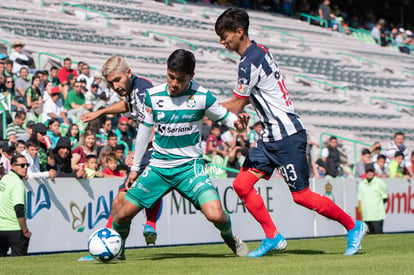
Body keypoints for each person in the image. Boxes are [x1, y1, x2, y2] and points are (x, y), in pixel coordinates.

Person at [215, 8, 367, 257]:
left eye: (224, 35)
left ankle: (353, 226)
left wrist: (200, 107)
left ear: (239, 32)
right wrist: (246, 112)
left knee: (302, 196)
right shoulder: (259, 50)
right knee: (242, 185)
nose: (222, 41)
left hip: (287, 136)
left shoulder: (248, 62)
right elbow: (258, 95)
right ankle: (273, 236)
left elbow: (236, 102)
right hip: (270, 137)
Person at [112, 49, 250, 259]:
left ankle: (230, 238)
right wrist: (135, 168)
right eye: (171, 76)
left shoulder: (202, 96)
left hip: (190, 169)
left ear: (191, 77)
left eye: (180, 79)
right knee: (121, 216)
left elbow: (228, 119)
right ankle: (117, 250)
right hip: (159, 167)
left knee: (216, 215)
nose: (174, 83)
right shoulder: (153, 96)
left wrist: (239, 125)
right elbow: (143, 133)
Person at [79, 56, 161, 256]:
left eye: (117, 80)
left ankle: (138, 231)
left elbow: (154, 124)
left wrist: (139, 149)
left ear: (128, 73)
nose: (115, 86)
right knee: (123, 201)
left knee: (126, 199)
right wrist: (101, 112)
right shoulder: (134, 90)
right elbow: (127, 106)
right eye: (111, 83)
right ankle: (125, 241)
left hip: (158, 150)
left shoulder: (142, 91)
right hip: (153, 151)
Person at [0, 154, 31, 256]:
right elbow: (19, 209)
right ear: (13, 166)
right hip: (14, 229)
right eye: (22, 165)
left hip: (1, 228)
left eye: (27, 165)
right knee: (19, 264)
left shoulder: (4, 179)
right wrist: (25, 230)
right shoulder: (17, 183)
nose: (25, 168)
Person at [357, 163, 388, 234]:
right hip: (366, 216)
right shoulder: (362, 184)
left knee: (378, 236)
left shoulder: (380, 183)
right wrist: (361, 216)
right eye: (368, 171)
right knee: (369, 239)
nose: (370, 173)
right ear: (365, 172)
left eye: (371, 171)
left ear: (374, 172)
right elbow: (359, 200)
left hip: (377, 216)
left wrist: (377, 206)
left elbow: (385, 198)